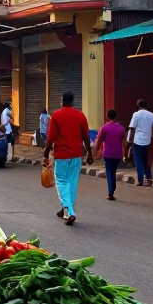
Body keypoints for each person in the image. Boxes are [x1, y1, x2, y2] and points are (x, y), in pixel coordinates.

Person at [42, 92, 93, 226]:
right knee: (72, 182)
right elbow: (86, 137)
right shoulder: (80, 115)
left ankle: (69, 211)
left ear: (62, 101)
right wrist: (90, 153)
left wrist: (46, 153)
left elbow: (51, 137)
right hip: (76, 155)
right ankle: (65, 209)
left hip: (62, 156)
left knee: (61, 182)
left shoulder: (56, 115)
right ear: (72, 101)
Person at [94, 109, 127, 200]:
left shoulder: (104, 128)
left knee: (109, 172)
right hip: (117, 154)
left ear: (107, 116)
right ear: (116, 116)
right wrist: (125, 153)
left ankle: (111, 192)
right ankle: (112, 189)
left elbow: (99, 141)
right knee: (113, 171)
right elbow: (125, 141)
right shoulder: (121, 128)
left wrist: (95, 151)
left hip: (107, 153)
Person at [126, 98, 153, 186]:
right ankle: (148, 177)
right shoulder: (152, 115)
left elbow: (132, 128)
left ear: (138, 105)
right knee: (145, 160)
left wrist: (129, 141)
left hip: (137, 141)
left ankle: (140, 180)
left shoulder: (136, 114)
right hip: (147, 141)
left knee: (138, 160)